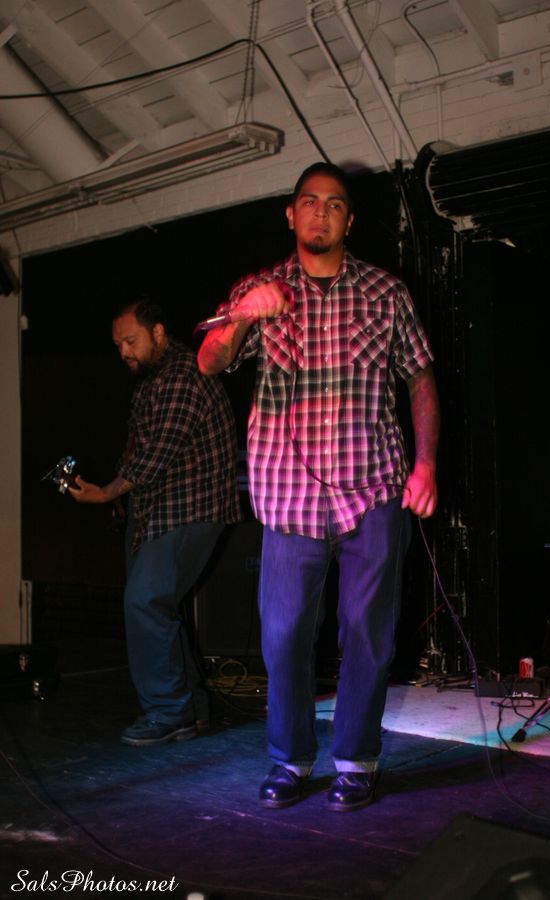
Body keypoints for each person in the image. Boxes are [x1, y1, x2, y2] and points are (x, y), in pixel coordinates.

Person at [197, 162, 439, 811]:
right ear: (291, 214)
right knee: (283, 639)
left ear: (349, 220)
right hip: (287, 495)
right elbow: (210, 360)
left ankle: (356, 760)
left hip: (373, 488)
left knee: (368, 634)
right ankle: (290, 759)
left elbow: (420, 377)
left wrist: (425, 465)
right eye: (309, 201)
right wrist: (243, 316)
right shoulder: (260, 289)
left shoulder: (385, 292)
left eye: (334, 204)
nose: (321, 213)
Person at [69, 298, 241, 746]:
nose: (124, 351)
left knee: (145, 602)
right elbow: (138, 447)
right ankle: (191, 709)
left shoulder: (183, 375)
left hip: (189, 508)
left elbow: (156, 452)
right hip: (158, 511)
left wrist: (108, 492)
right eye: (117, 345)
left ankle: (169, 712)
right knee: (158, 607)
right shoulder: (153, 380)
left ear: (158, 333)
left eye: (131, 341)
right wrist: (119, 499)